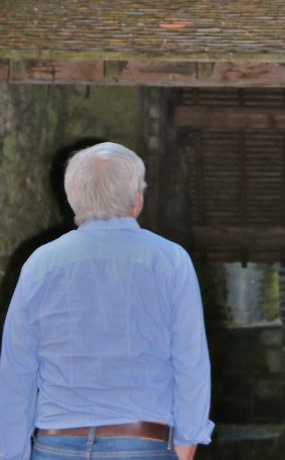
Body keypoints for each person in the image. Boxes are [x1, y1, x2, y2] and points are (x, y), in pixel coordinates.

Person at [0, 142, 213, 460]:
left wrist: (12, 453)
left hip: (55, 446)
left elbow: (16, 371)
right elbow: (190, 362)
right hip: (142, 444)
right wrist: (188, 440)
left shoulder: (40, 264)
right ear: (136, 199)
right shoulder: (170, 261)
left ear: (74, 198)